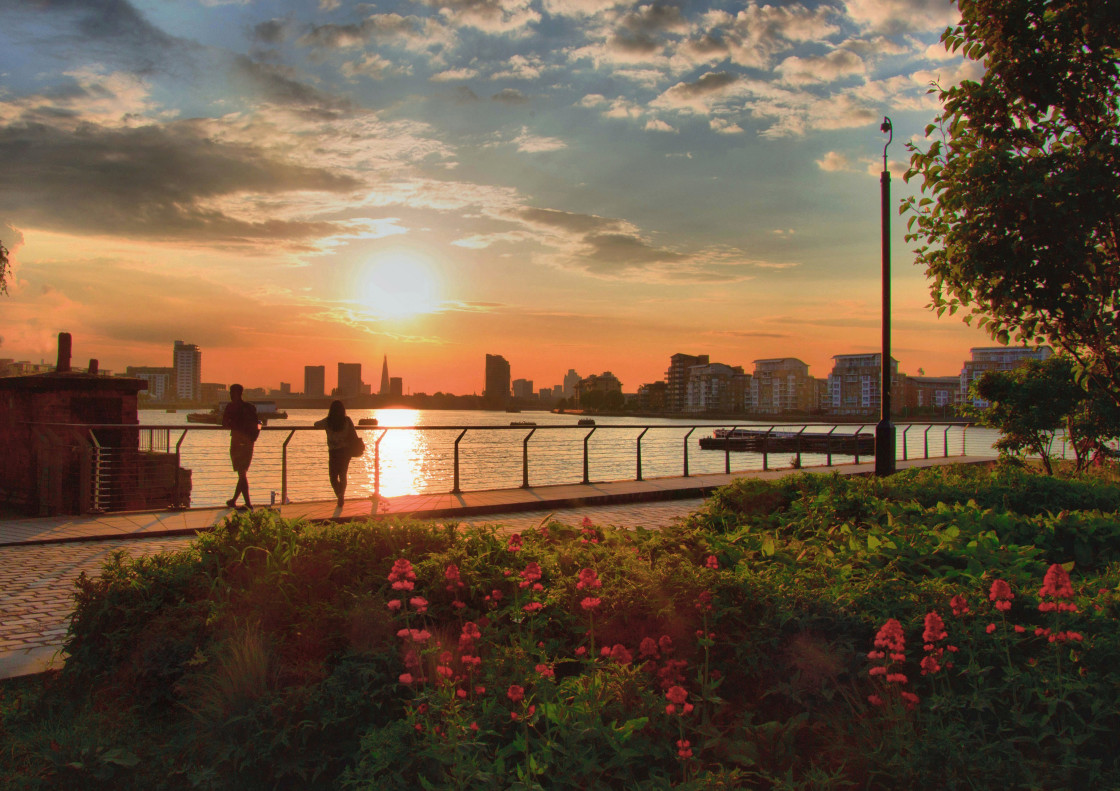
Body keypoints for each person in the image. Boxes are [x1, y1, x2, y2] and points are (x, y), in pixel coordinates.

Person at [222, 383, 259, 509]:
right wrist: (253, 438)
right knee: (242, 473)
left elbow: (224, 423)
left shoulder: (231, 407)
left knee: (241, 473)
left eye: (231, 393)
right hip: (249, 443)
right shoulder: (250, 407)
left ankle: (248, 504)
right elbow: (259, 423)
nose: (231, 395)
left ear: (235, 393)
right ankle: (234, 500)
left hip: (237, 443)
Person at [314, 400, 357, 507]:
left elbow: (316, 425)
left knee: (333, 477)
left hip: (333, 452)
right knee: (343, 475)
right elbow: (354, 434)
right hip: (346, 452)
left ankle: (339, 494)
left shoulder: (328, 421)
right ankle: (342, 494)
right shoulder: (347, 421)